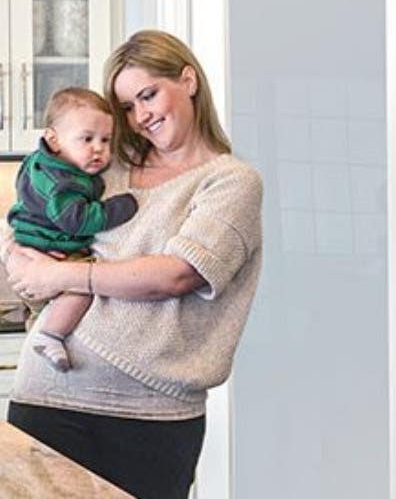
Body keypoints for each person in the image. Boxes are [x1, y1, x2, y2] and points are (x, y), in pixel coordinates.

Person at [1, 29, 263, 499]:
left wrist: (60, 274)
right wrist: (18, 256)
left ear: (188, 80)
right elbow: (29, 210)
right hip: (49, 399)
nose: (140, 116)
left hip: (151, 418)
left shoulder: (231, 183)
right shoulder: (107, 163)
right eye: (126, 106)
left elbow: (177, 273)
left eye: (148, 94)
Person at [7, 87, 138, 372]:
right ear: (53, 139)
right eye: (87, 139)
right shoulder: (63, 182)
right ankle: (50, 336)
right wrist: (119, 207)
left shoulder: (38, 163)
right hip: (54, 253)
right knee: (81, 289)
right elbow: (76, 220)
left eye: (106, 140)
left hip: (31, 252)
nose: (99, 150)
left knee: (41, 309)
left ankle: (39, 332)